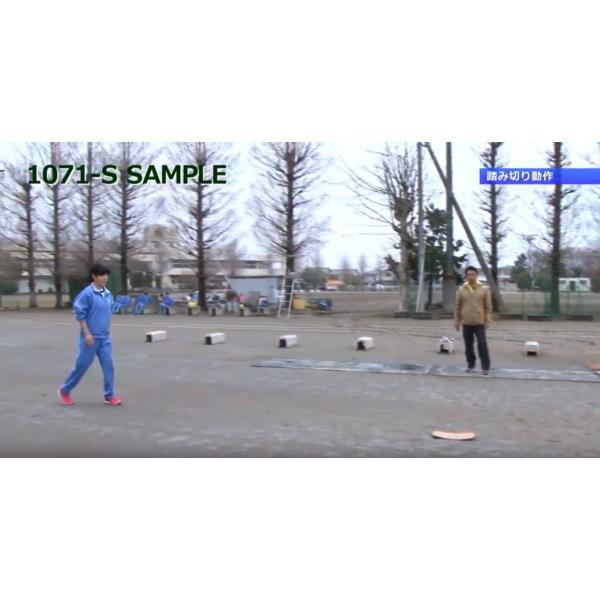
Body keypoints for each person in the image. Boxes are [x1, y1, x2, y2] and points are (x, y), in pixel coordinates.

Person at [57, 263, 122, 406]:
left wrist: (107, 329)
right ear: (94, 276)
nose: (105, 278)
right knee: (82, 365)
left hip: (104, 337)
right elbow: (80, 315)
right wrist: (87, 334)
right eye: (102, 275)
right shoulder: (87, 294)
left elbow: (107, 313)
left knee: (108, 366)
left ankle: (109, 395)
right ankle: (65, 390)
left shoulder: (108, 294)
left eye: (106, 275)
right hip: (90, 337)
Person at [455, 265, 493, 376]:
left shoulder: (484, 289)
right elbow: (457, 307)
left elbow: (488, 307)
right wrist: (457, 321)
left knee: (482, 343)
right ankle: (470, 364)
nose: (471, 277)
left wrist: (488, 320)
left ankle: (485, 367)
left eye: (473, 274)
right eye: (468, 275)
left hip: (479, 322)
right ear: (466, 276)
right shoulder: (462, 290)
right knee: (468, 345)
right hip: (466, 322)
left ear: (476, 276)